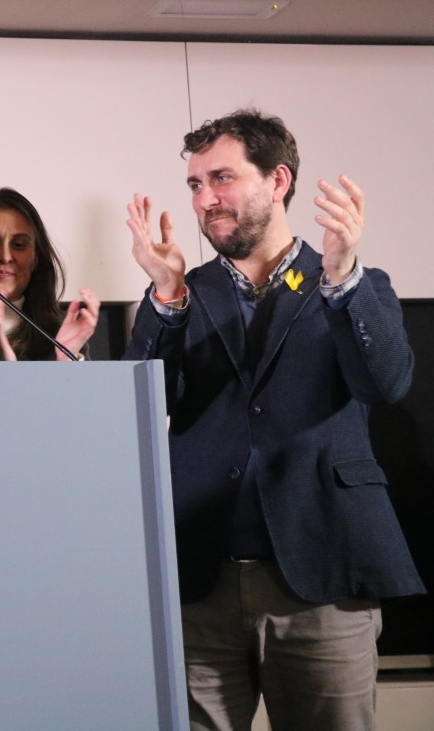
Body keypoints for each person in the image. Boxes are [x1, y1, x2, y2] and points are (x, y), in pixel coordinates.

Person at [123, 109, 424, 731]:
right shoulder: (181, 292)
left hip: (325, 578)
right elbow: (143, 410)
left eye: (223, 179)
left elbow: (386, 383)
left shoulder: (350, 283)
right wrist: (167, 300)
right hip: (198, 584)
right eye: (196, 185)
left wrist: (343, 279)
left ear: (278, 180)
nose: (207, 199)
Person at [0, 187, 99, 360]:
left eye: (18, 245)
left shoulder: (57, 336)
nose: (4, 256)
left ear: (35, 260)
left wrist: (64, 361)